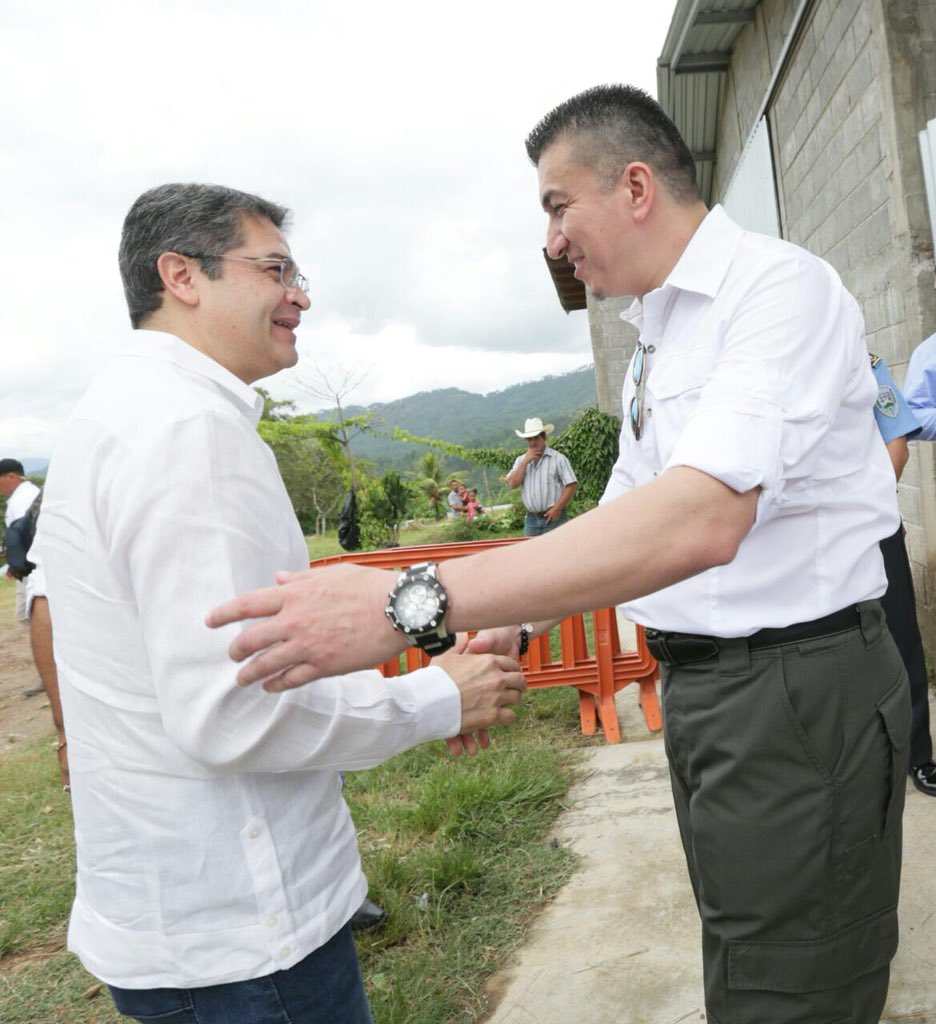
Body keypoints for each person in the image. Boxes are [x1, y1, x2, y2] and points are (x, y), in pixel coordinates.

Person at [208, 85, 910, 1024]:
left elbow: (702, 518)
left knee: (794, 986)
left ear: (634, 187)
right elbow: (628, 504)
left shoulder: (776, 291)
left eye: (556, 205)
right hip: (713, 687)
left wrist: (410, 601)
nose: (551, 243)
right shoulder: (661, 331)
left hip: (794, 687)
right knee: (750, 953)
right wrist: (514, 619)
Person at [37, 183, 525, 1024]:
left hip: (178, 916)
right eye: (275, 270)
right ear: (181, 276)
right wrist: (434, 698)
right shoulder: (189, 431)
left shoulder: (111, 414)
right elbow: (233, 712)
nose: (299, 296)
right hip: (245, 936)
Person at [870, 354, 936, 797]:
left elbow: (897, 445)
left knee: (901, 638)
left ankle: (918, 755)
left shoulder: (866, 365)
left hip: (872, 527)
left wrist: (868, 514)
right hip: (802, 541)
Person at [504, 417, 577, 536]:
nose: (533, 443)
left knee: (557, 547)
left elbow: (572, 485)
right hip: (531, 519)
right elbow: (513, 484)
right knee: (531, 548)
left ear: (543, 437)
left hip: (554, 517)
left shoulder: (558, 459)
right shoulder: (521, 460)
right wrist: (525, 461)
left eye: (536, 438)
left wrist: (557, 509)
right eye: (529, 439)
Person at [1, 458, 40, 625]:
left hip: (32, 566)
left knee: (28, 614)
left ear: (11, 476)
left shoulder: (23, 498)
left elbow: (26, 535)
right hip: (29, 565)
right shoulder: (27, 493)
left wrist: (17, 564)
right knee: (27, 614)